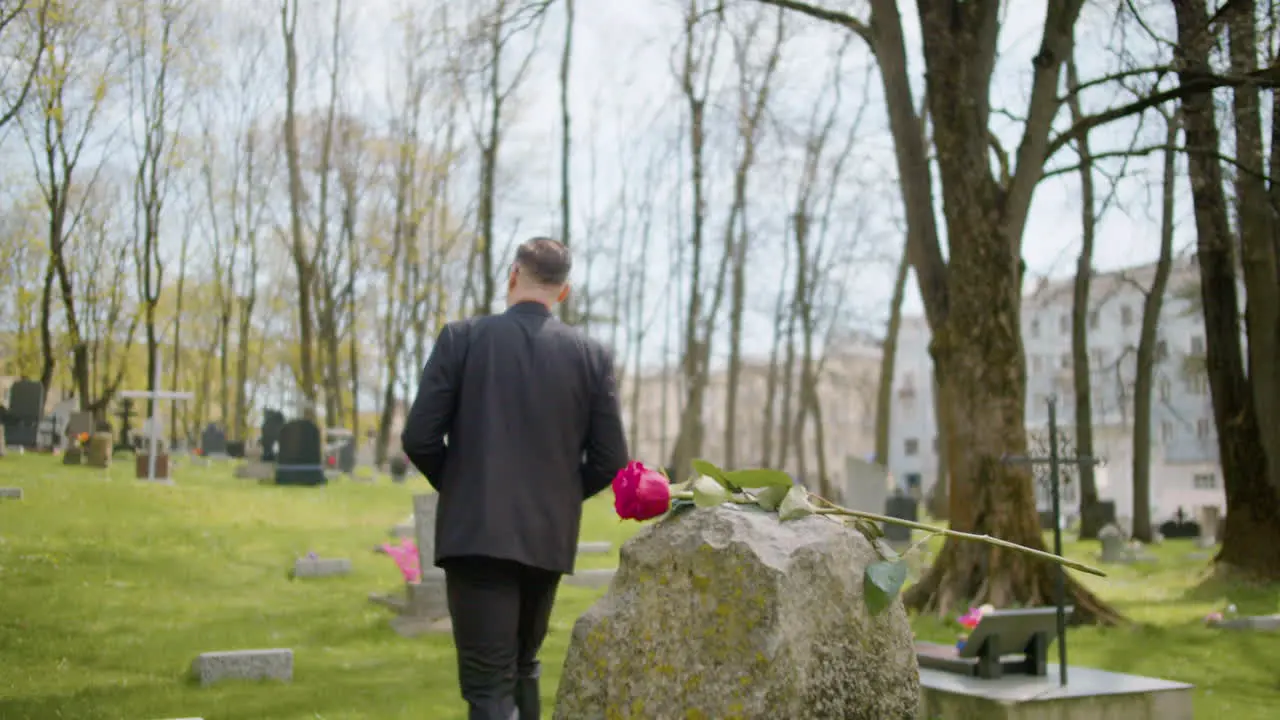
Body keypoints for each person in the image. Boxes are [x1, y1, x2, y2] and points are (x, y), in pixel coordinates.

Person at [401, 237, 629, 720]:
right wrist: (557, 497)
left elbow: (420, 438)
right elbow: (611, 459)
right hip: (546, 536)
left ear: (512, 277)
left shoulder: (460, 339)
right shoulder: (591, 355)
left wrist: (467, 488)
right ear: (563, 293)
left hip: (476, 535)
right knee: (524, 665)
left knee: (488, 682)